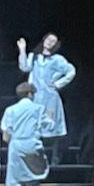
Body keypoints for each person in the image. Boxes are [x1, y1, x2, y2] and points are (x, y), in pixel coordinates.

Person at [17, 33, 76, 163]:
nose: (50, 42)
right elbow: (24, 67)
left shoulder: (57, 59)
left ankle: (55, 155)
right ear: (44, 40)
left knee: (52, 126)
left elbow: (71, 71)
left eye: (53, 41)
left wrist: (58, 84)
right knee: (36, 126)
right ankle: (38, 155)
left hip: (50, 98)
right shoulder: (34, 57)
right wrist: (22, 50)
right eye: (49, 39)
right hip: (36, 97)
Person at [1, 82, 49, 186]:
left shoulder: (10, 110)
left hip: (16, 146)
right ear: (30, 94)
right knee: (38, 173)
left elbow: (6, 135)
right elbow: (47, 126)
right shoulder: (38, 108)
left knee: (18, 185)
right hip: (32, 144)